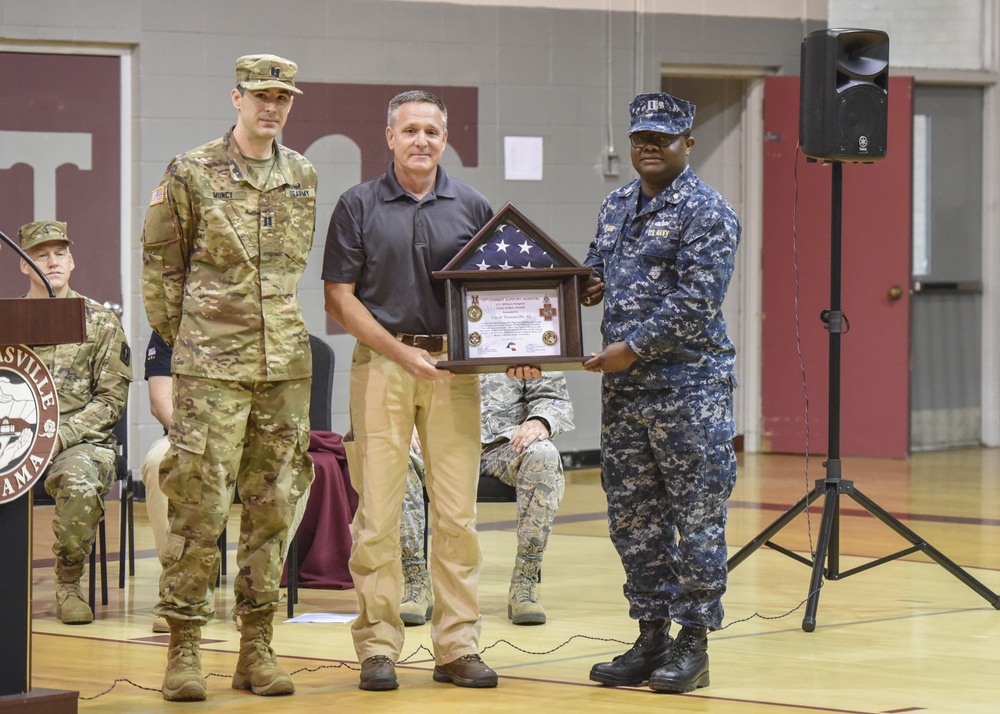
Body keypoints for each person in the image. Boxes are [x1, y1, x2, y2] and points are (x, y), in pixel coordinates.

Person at [140, 54, 316, 701]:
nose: (272, 107)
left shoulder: (303, 174)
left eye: (283, 98)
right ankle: (184, 650)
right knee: (198, 507)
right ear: (235, 97)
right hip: (210, 369)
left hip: (284, 370)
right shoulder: (190, 171)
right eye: (261, 95)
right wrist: (190, 342)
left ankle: (256, 650)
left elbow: (292, 268)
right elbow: (160, 272)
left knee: (273, 508)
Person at [322, 89, 500, 691]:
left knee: (458, 516)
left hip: (455, 372)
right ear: (390, 138)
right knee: (378, 515)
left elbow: (498, 301)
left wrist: (519, 354)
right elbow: (339, 299)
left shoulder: (473, 206)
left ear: (444, 139)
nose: (421, 140)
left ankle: (457, 648)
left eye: (432, 130)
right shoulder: (357, 205)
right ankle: (377, 647)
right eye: (410, 130)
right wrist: (404, 354)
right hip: (382, 364)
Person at [580, 92, 740, 694]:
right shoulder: (617, 203)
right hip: (625, 396)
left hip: (688, 392)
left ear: (687, 145)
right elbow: (597, 268)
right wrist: (582, 288)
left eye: (663, 139)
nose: (649, 148)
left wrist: (633, 348)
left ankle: (693, 644)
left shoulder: (707, 211)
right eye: (641, 138)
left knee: (695, 519)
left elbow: (697, 303)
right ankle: (650, 637)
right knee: (634, 520)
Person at [140, 331, 312, 635]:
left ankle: (257, 592)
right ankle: (180, 587)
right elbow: (160, 401)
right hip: (194, 438)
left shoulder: (266, 320)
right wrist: (205, 443)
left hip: (256, 441)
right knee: (157, 463)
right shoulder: (179, 321)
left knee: (291, 470)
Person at [17, 220, 133, 626]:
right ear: (24, 266)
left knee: (79, 482)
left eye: (59, 253)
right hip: (14, 441)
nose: (52, 262)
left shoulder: (99, 321)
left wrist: (58, 436)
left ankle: (68, 583)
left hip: (78, 443)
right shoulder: (7, 321)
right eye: (40, 255)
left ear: (72, 261)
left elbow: (111, 400)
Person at [399, 372, 574, 627]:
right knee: (398, 457)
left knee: (544, 456)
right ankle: (416, 583)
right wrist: (403, 419)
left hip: (503, 443)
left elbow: (553, 396)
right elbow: (395, 387)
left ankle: (524, 582)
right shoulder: (429, 335)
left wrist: (540, 420)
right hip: (436, 442)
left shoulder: (519, 332)